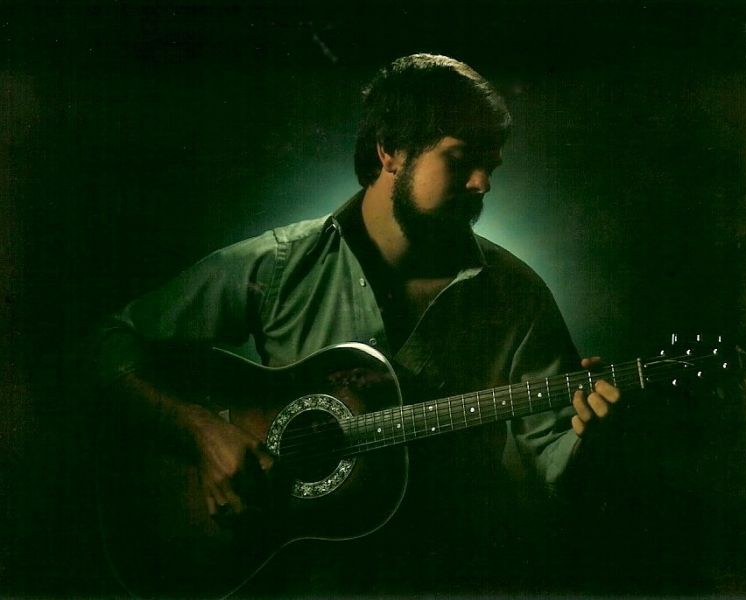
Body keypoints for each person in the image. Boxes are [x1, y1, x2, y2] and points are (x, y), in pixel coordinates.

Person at [94, 53, 620, 596]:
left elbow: (556, 463)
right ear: (390, 150)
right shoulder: (280, 266)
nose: (483, 183)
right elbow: (104, 344)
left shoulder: (518, 295)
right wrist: (203, 432)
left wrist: (590, 440)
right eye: (462, 159)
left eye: (492, 165)